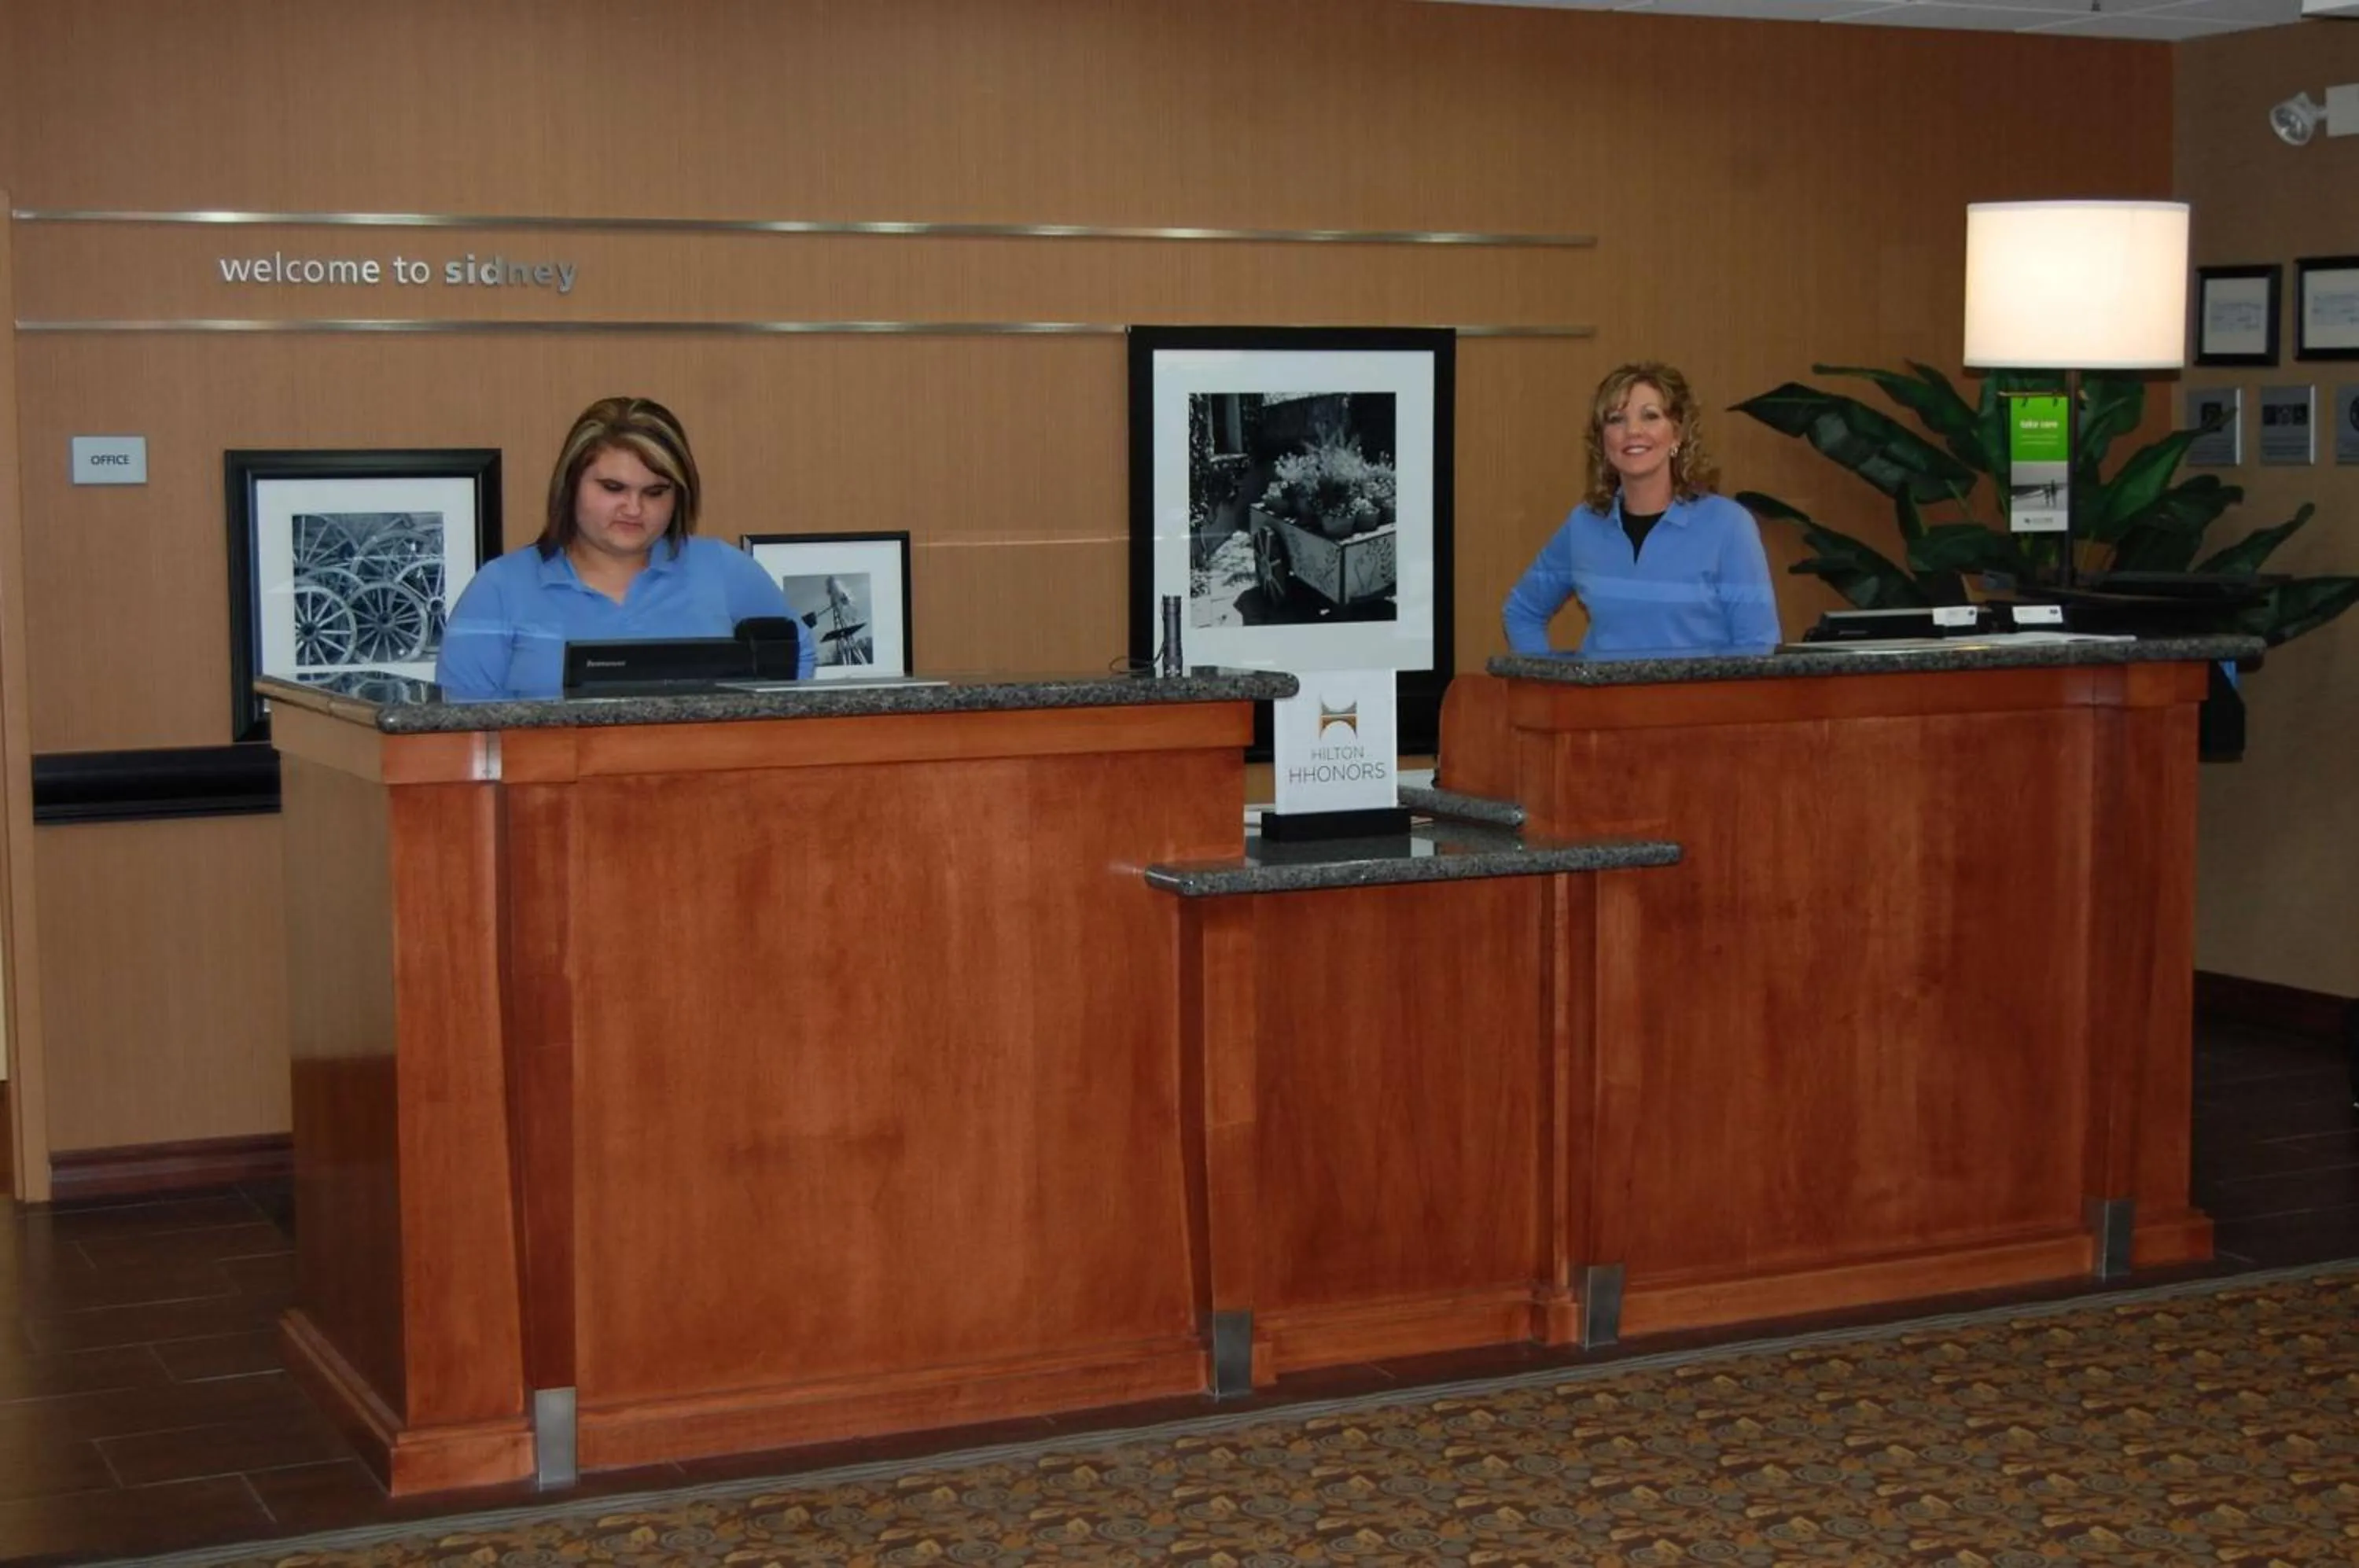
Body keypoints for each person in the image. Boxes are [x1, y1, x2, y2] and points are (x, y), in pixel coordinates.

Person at [436, 396, 814, 699]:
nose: (633, 509)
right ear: (570, 487)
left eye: (655, 492)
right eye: (613, 488)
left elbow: (798, 658)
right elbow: (463, 731)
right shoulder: (499, 588)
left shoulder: (725, 571)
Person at [1502, 362, 1780, 661]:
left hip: (1698, 707)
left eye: (1650, 416)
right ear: (1602, 440)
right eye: (1616, 419)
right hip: (1599, 707)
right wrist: (1550, 686)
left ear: (1678, 434)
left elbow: (1757, 648)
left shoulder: (1729, 526)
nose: (1633, 431)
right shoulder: (1585, 523)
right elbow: (1522, 611)